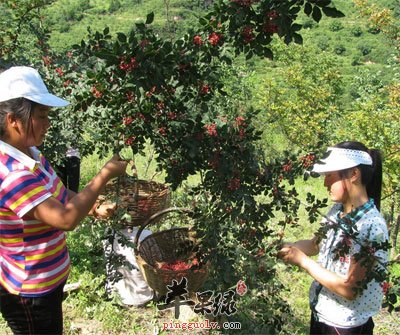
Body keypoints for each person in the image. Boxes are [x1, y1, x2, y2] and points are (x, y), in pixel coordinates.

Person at [0, 66, 128, 334]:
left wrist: (92, 207)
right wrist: (104, 175)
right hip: (30, 292)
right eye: (42, 116)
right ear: (13, 120)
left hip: (47, 282)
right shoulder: (12, 173)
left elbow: (58, 195)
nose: (48, 124)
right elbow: (65, 218)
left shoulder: (32, 155)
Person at [278, 141, 389, 335]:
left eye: (330, 175)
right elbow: (315, 245)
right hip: (322, 314)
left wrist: (303, 262)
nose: (325, 182)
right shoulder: (338, 211)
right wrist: (290, 247)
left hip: (344, 325)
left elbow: (349, 289)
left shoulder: (371, 227)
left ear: (354, 174)